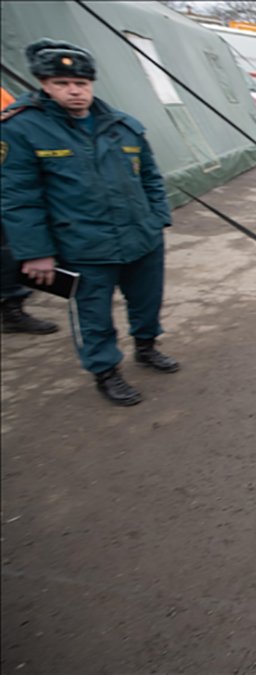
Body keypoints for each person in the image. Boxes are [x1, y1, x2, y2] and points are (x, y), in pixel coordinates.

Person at [0, 39, 179, 406]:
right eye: (62, 83)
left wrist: (157, 219)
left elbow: (150, 178)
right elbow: (18, 198)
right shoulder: (21, 129)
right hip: (82, 246)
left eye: (80, 83)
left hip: (141, 238)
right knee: (92, 314)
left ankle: (146, 346)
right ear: (44, 84)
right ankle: (105, 371)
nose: (74, 91)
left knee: (147, 302)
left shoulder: (123, 126)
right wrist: (35, 252)